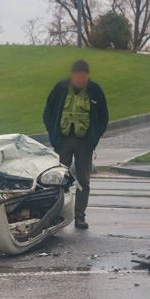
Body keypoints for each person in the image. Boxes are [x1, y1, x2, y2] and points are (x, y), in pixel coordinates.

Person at [42, 59, 109, 230]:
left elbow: (103, 117)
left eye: (84, 77)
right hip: (62, 142)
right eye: (78, 77)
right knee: (58, 179)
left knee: (83, 181)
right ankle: (57, 214)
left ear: (88, 76)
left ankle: (80, 215)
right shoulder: (60, 88)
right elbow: (47, 112)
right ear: (72, 76)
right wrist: (53, 135)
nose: (81, 80)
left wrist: (95, 137)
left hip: (85, 143)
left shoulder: (95, 91)